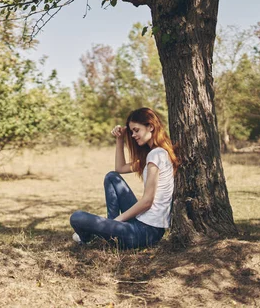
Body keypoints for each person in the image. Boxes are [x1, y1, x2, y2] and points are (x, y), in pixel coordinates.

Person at [70, 107, 179, 249]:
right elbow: (120, 169)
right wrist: (120, 139)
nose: (133, 135)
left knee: (77, 217)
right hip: (142, 222)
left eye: (136, 130)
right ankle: (108, 232)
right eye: (132, 131)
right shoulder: (154, 154)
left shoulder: (156, 155)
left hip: (146, 231)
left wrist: (117, 221)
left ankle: (92, 236)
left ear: (150, 127)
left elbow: (147, 202)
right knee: (112, 177)